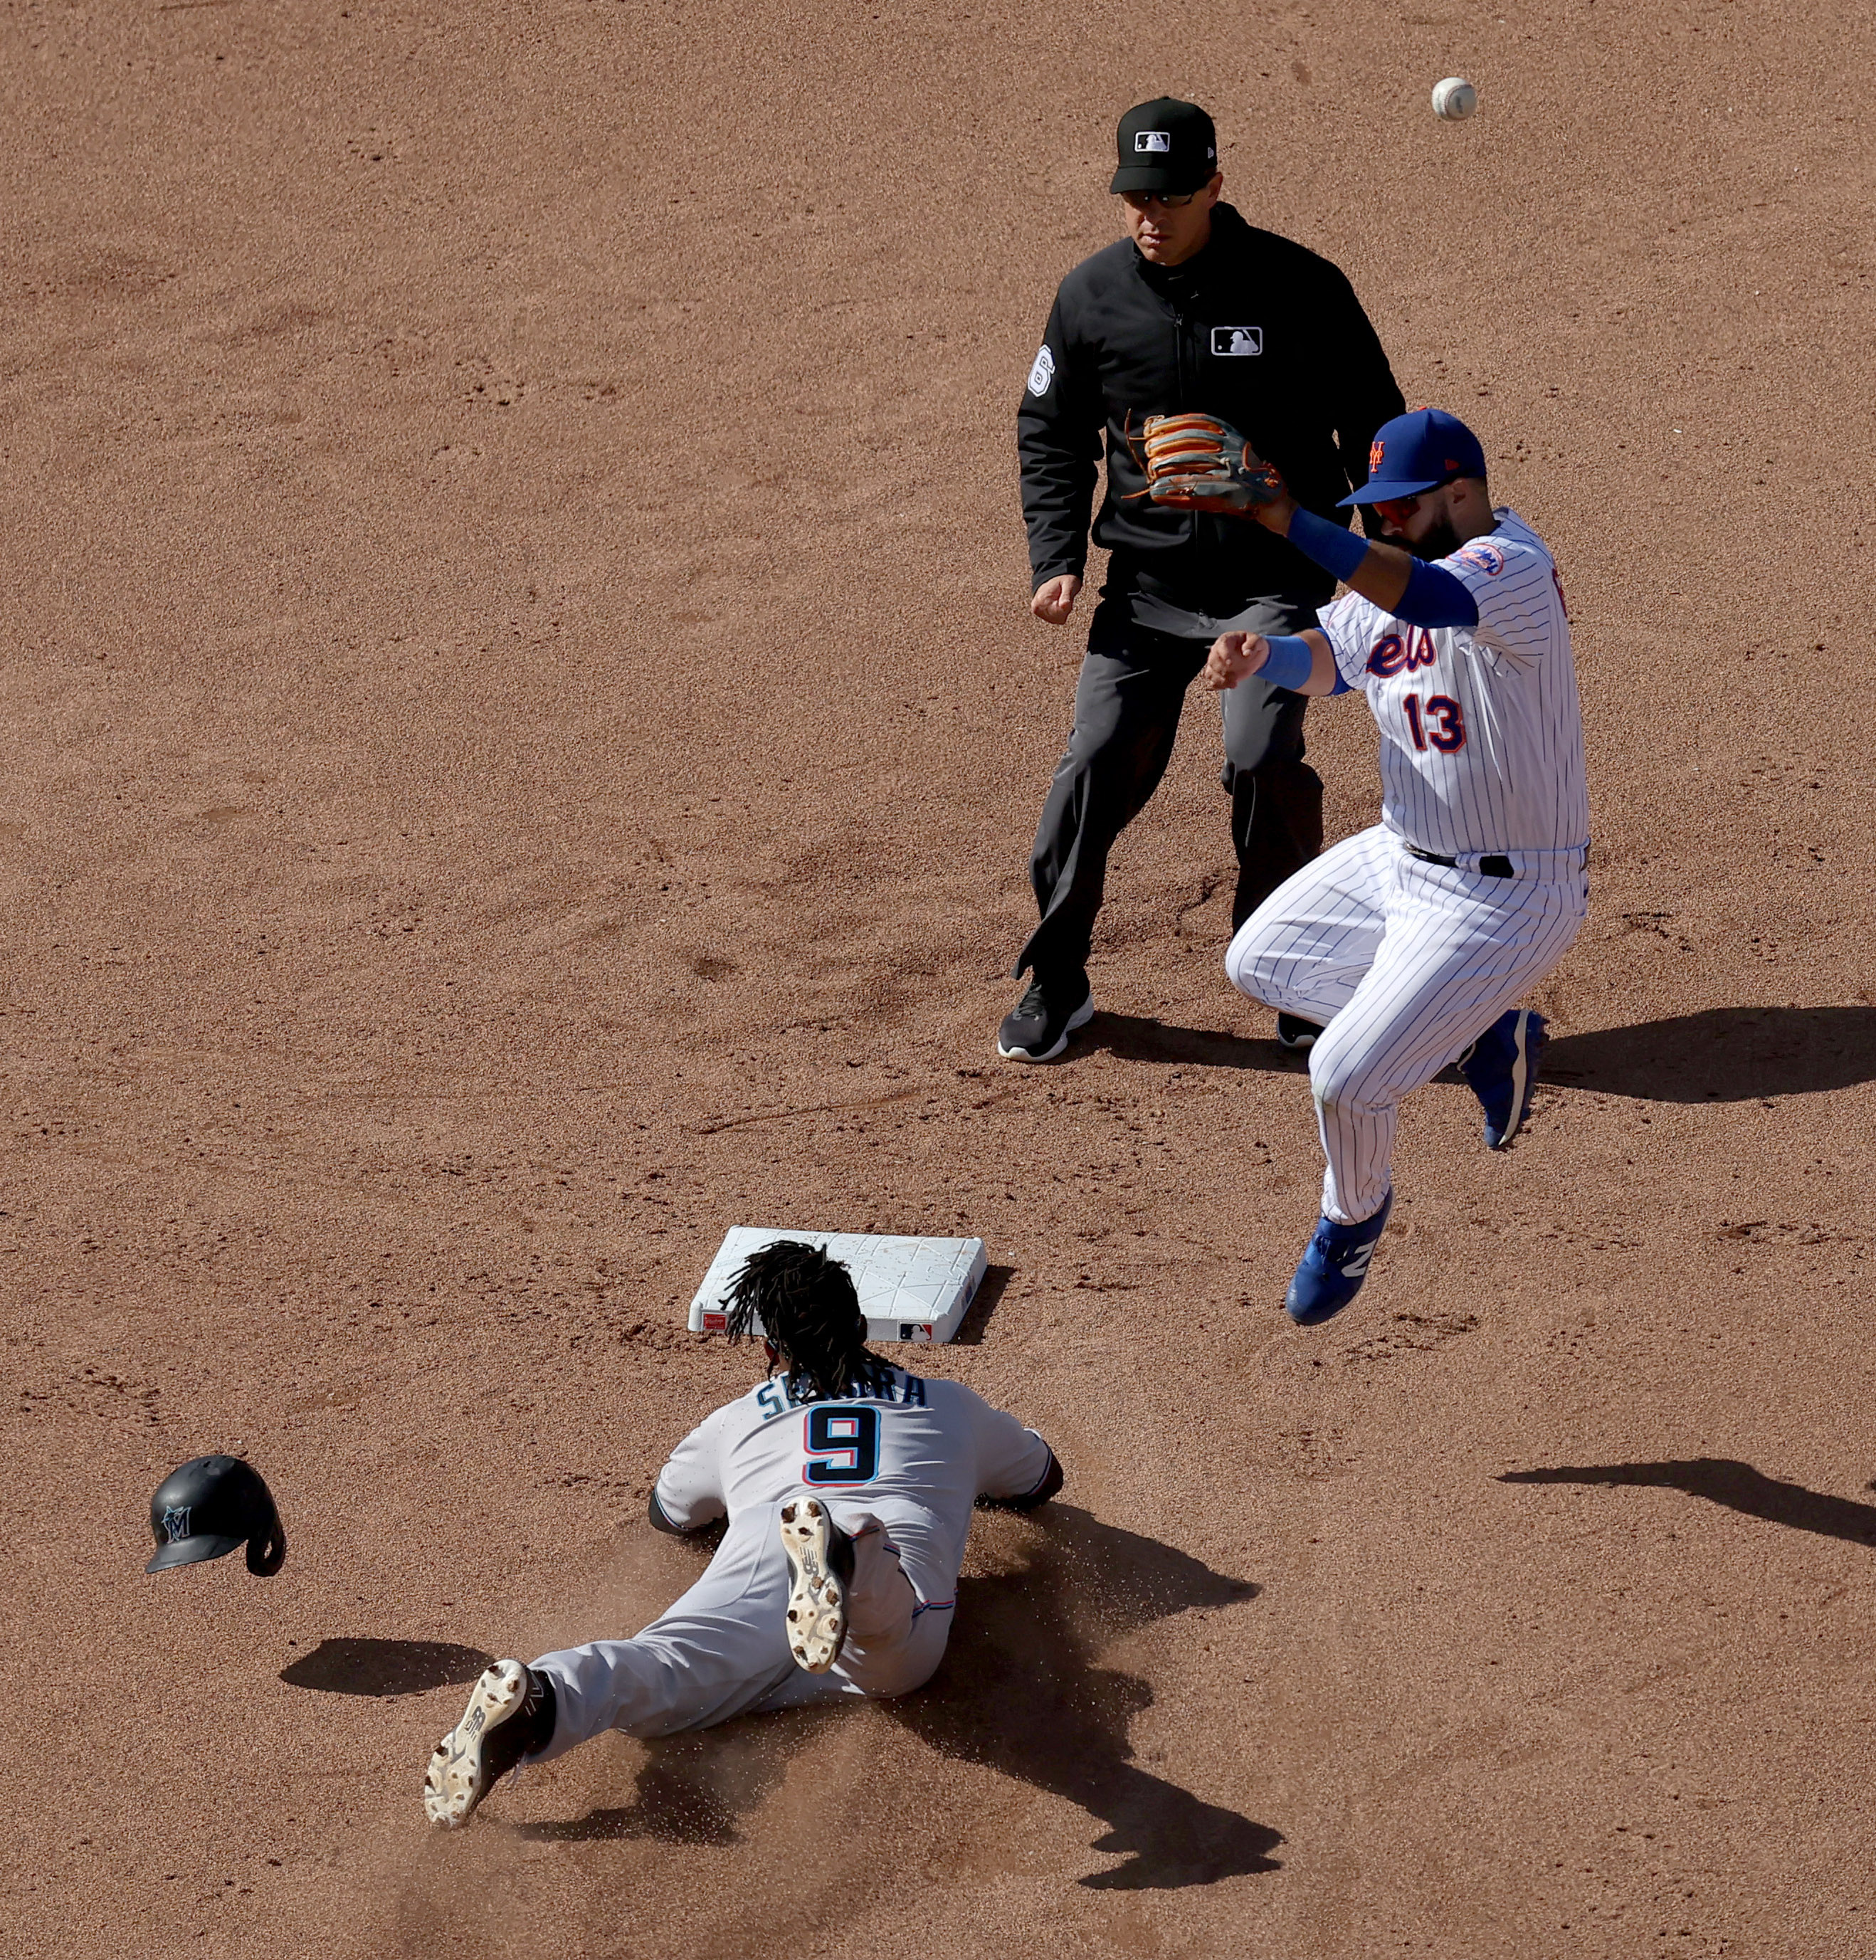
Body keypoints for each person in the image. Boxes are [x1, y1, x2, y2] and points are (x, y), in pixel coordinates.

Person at [1003, 96, 1406, 1063]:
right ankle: (1056, 981)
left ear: (1216, 188)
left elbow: (1374, 425)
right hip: (1142, 589)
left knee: (1259, 750)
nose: (1151, 214)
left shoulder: (1300, 286)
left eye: (1173, 195)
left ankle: (1292, 970)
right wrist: (1056, 555)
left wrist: (1369, 563)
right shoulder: (1090, 297)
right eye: (1136, 196)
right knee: (1091, 764)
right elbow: (1049, 432)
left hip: (1273, 580)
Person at [1166, 407, 1588, 1324]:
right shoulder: (1392, 573)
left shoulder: (1508, 568)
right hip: (1401, 855)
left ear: (1461, 494)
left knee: (1347, 1076)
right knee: (1260, 962)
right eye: (1376, 506)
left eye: (1402, 505)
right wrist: (1263, 654)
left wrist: (1282, 516)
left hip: (1507, 894)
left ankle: (1350, 1220)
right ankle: (1479, 1036)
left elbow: (1422, 602)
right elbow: (1338, 659)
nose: (1383, 519)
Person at [421, 1240, 1063, 1826]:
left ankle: (546, 1694)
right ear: (863, 1327)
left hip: (760, 1549)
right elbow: (1041, 1480)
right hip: (876, 1554)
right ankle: (848, 1556)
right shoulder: (950, 1404)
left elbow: (670, 1514)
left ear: (768, 1350)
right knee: (895, 1652)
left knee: (663, 1673)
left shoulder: (733, 1423)